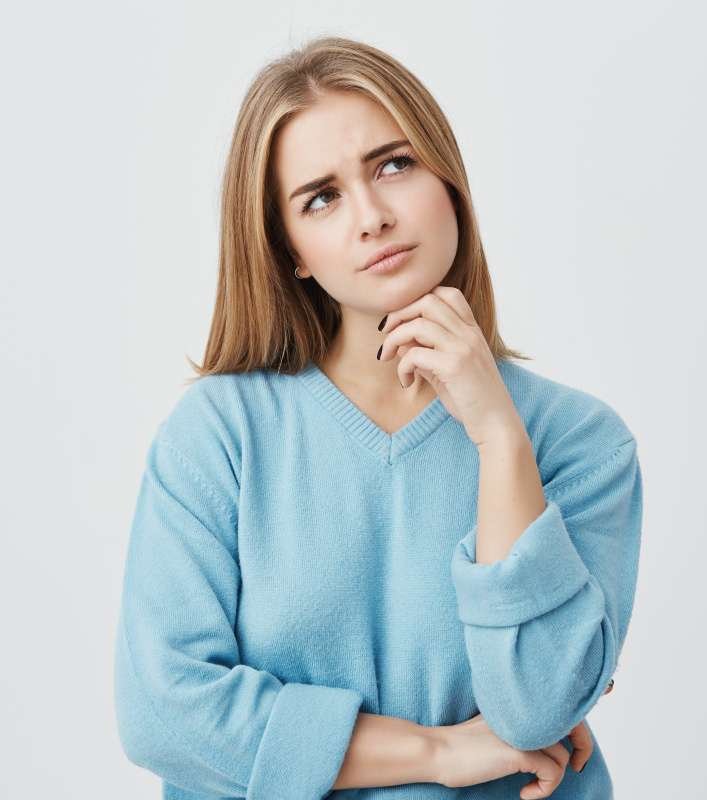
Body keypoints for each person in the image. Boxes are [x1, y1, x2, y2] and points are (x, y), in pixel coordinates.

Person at [113, 35, 643, 800]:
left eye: (394, 165)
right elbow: (163, 714)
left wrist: (499, 438)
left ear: (448, 179)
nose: (371, 217)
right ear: (290, 249)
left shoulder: (581, 444)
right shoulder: (218, 434)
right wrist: (435, 751)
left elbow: (537, 707)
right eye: (320, 198)